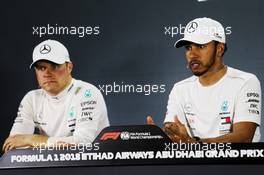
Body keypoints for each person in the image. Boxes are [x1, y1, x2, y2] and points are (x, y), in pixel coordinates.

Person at [147, 17, 261, 143]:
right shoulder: (179, 89)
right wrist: (158, 137)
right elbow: (175, 133)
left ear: (220, 49)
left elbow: (244, 137)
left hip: (237, 162)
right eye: (188, 47)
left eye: (200, 46)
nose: (192, 54)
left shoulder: (245, 82)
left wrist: (195, 144)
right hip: (193, 163)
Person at [3, 39, 109, 152]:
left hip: (91, 166)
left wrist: (32, 139)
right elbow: (14, 142)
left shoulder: (87, 93)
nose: (47, 74)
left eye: (54, 66)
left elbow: (83, 143)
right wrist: (31, 141)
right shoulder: (31, 98)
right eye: (41, 68)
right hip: (50, 166)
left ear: (69, 67)